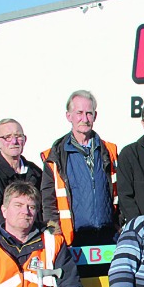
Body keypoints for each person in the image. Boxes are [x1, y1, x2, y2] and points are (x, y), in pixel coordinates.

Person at [41, 89, 119, 246]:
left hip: (108, 235)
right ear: (68, 116)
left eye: (89, 113)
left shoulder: (109, 151)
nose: (85, 118)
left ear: (95, 116)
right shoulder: (54, 156)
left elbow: (120, 192)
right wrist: (55, 234)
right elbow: (48, 201)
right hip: (72, 237)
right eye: (79, 113)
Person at [0, 118, 43, 227]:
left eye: (18, 136)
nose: (14, 142)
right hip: (6, 238)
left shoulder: (36, 172)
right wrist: (10, 237)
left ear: (25, 140)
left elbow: (44, 207)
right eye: (7, 137)